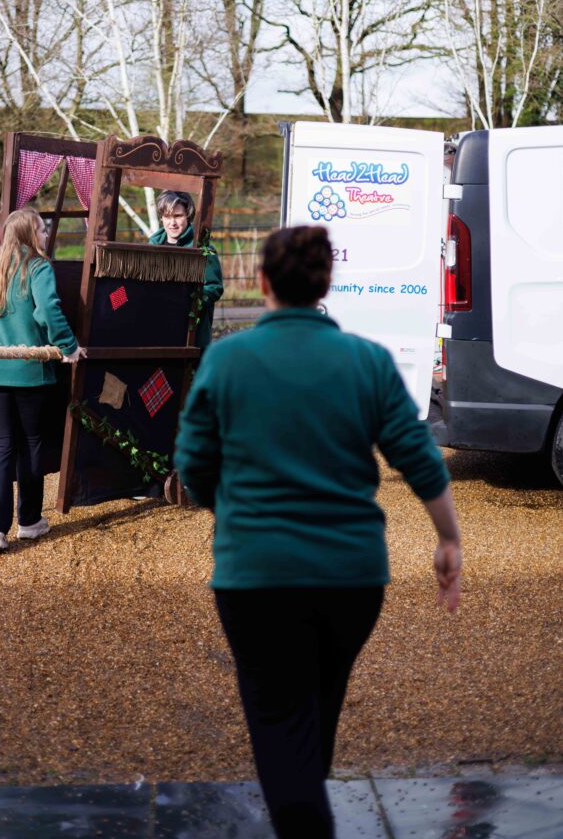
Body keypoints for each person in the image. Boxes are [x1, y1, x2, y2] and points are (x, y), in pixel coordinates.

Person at [174, 225, 462, 839]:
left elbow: (193, 462)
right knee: (312, 720)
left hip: (256, 577)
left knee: (281, 725)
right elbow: (417, 455)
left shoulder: (228, 359)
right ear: (327, 283)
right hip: (351, 578)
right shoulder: (366, 361)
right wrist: (449, 539)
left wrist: (224, 508)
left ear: (262, 282)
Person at [0, 209, 84, 553]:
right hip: (29, 373)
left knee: (0, 446)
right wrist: (69, 346)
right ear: (27, 234)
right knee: (31, 442)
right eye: (40, 230)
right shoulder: (37, 267)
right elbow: (48, 310)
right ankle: (28, 522)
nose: (43, 236)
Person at [148, 189, 223, 350]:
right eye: (167, 217)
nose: (172, 223)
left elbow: (214, 288)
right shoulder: (151, 246)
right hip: (157, 329)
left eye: (178, 216)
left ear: (188, 216)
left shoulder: (203, 249)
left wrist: (187, 302)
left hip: (191, 333)